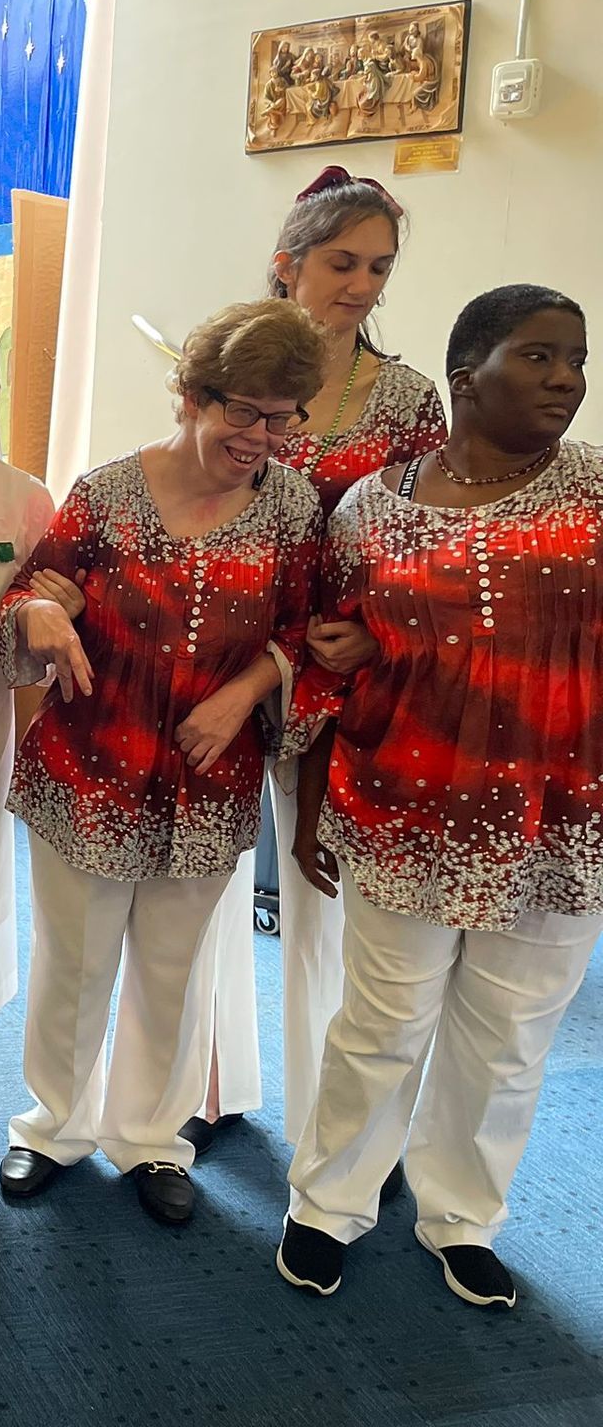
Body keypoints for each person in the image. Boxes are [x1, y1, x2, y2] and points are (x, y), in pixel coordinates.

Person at [277, 285, 598, 1309]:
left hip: (559, 816)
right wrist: (316, 802)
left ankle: (462, 1214)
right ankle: (329, 1203)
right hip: (402, 799)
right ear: (467, 378)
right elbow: (336, 661)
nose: (567, 380)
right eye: (540, 357)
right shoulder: (372, 506)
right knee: (381, 1021)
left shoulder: (596, 496)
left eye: (578, 360)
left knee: (509, 1033)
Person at [0, 299, 323, 1225]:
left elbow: (307, 632)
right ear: (189, 395)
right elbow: (31, 592)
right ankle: (53, 1126)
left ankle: (150, 1138)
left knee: (172, 969)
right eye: (243, 411)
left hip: (210, 779)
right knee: (76, 961)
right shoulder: (103, 493)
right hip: (88, 767)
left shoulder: (295, 508)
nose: (261, 435)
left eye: (281, 415)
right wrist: (40, 614)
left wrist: (247, 689)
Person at [187, 166, 449, 1162]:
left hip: (340, 673)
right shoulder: (230, 368)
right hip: (221, 653)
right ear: (289, 263)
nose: (363, 284)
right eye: (344, 262)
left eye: (380, 266)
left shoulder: (413, 399)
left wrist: (379, 632)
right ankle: (200, 1090)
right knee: (200, 882)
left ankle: (334, 1128)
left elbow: (425, 540)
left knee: (323, 899)